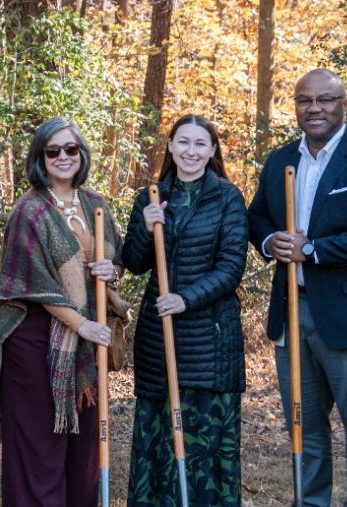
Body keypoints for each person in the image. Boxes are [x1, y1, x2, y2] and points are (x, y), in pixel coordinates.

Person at [246, 69, 347, 507]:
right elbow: (256, 216)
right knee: (305, 428)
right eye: (304, 100)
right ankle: (310, 502)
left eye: (325, 99)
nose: (314, 108)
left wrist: (312, 249)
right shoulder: (280, 160)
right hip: (292, 312)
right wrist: (269, 240)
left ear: (343, 104)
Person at [0, 116, 125, 506]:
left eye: (71, 148)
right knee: (40, 448)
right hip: (35, 341)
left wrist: (111, 270)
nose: (63, 157)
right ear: (41, 157)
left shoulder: (96, 204)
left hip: (85, 343)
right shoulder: (29, 211)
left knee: (84, 451)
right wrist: (81, 324)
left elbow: (115, 260)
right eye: (53, 151)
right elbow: (32, 283)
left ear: (82, 153)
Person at [115, 115, 248, 506]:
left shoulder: (227, 197)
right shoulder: (151, 196)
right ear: (171, 146)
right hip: (160, 340)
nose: (191, 151)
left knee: (205, 442)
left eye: (200, 144)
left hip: (211, 341)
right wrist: (145, 226)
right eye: (183, 142)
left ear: (212, 150)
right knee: (159, 438)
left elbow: (231, 267)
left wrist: (185, 298)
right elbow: (134, 262)